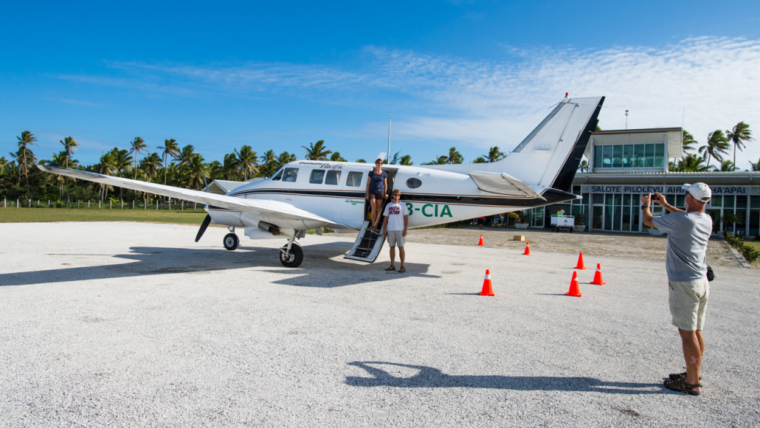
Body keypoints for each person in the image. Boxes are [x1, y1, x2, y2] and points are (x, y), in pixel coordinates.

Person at [641, 183, 713, 396]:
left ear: (690, 198)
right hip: (701, 282)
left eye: (686, 193)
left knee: (687, 333)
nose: (685, 196)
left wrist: (645, 205)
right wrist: (666, 204)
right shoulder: (705, 219)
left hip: (684, 284)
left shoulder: (682, 221)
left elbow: (648, 221)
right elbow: (686, 216)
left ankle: (692, 383)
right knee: (696, 330)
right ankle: (695, 372)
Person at [382, 189, 409, 273]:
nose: (397, 196)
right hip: (390, 229)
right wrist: (384, 229)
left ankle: (402, 266)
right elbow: (385, 218)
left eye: (398, 195)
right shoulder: (388, 205)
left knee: (401, 247)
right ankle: (392, 265)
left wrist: (405, 229)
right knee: (391, 247)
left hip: (400, 229)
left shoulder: (403, 205)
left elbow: (406, 218)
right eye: (395, 195)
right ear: (392, 195)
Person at [366, 158, 388, 230]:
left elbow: (385, 184)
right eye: (378, 163)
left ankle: (376, 225)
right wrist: (367, 194)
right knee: (373, 208)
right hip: (372, 192)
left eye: (381, 163)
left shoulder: (384, 173)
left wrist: (385, 193)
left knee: (379, 209)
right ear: (375, 164)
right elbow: (368, 184)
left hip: (380, 192)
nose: (379, 164)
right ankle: (373, 224)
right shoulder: (371, 173)